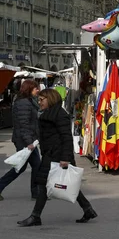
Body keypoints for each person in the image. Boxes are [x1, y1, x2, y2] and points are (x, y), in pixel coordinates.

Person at [17, 89, 97, 227]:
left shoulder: (60, 115)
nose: (39, 102)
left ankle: (35, 216)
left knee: (44, 184)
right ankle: (88, 209)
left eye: (42, 99)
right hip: (51, 153)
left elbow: (66, 137)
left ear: (51, 99)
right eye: (39, 99)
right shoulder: (47, 114)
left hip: (58, 154)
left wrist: (65, 157)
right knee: (68, 183)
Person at [0, 80, 41, 201]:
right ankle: (35, 192)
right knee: (23, 167)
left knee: (35, 165)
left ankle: (36, 192)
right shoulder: (24, 103)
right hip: (24, 140)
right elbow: (24, 124)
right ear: (29, 89)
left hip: (28, 139)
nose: (38, 90)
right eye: (35, 88)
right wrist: (29, 142)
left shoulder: (29, 101)